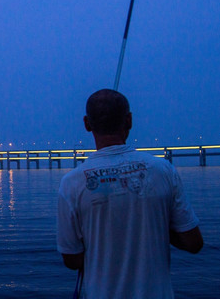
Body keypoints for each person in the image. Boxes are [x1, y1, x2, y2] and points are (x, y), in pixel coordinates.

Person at [57, 89, 203, 298]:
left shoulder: (71, 184)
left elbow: (71, 260)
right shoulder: (163, 170)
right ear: (129, 120)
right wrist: (156, 224)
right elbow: (194, 243)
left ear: (87, 124)